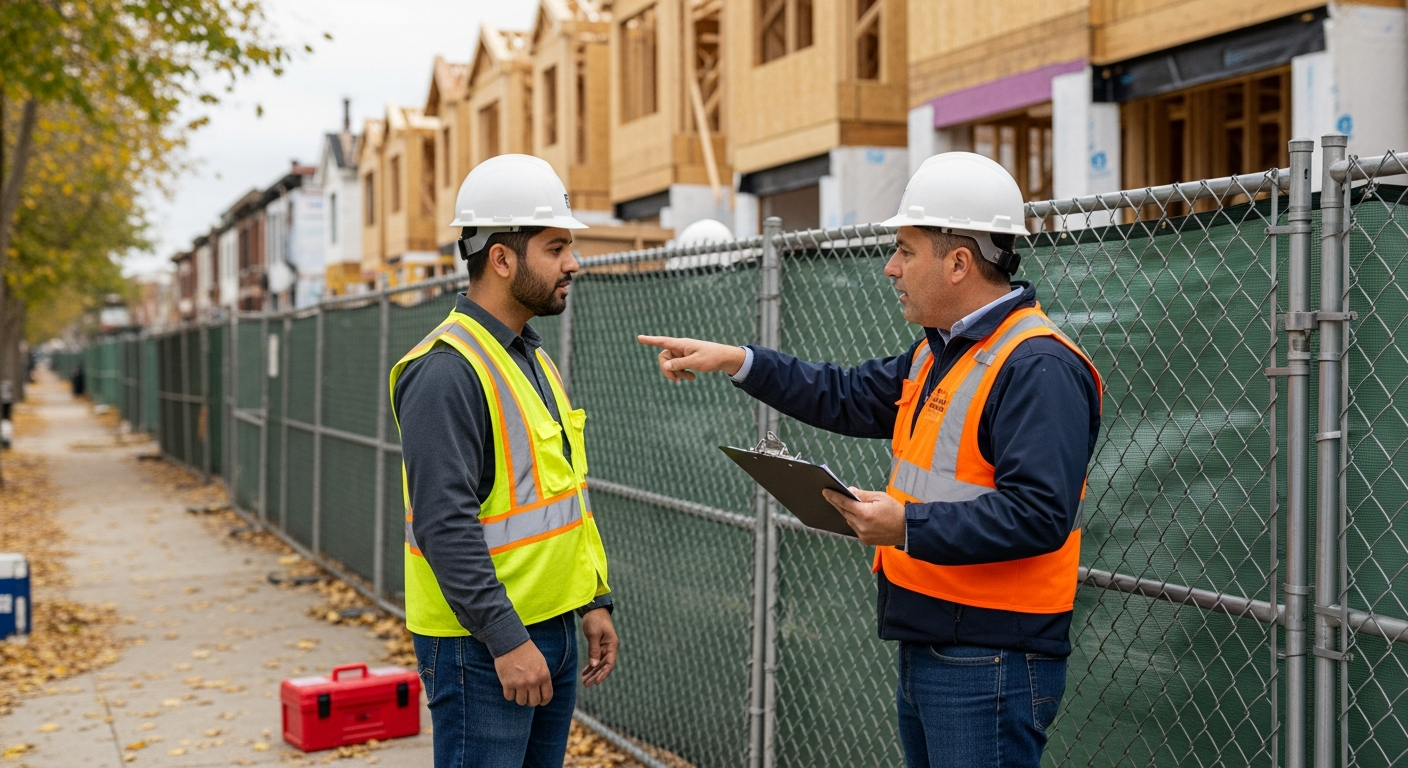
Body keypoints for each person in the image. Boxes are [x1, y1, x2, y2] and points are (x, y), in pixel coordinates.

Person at [638, 152, 1102, 768]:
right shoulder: (940, 353)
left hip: (992, 656)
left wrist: (906, 526)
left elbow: (1040, 514)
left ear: (959, 262)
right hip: (940, 638)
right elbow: (846, 394)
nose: (890, 268)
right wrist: (737, 359)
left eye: (906, 251)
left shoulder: (1037, 366)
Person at [391, 154, 618, 768]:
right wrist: (506, 640)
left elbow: (563, 494)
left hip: (550, 627)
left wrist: (593, 600)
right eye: (556, 246)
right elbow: (445, 525)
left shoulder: (529, 357)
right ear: (501, 258)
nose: (573, 262)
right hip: (483, 647)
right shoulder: (445, 371)